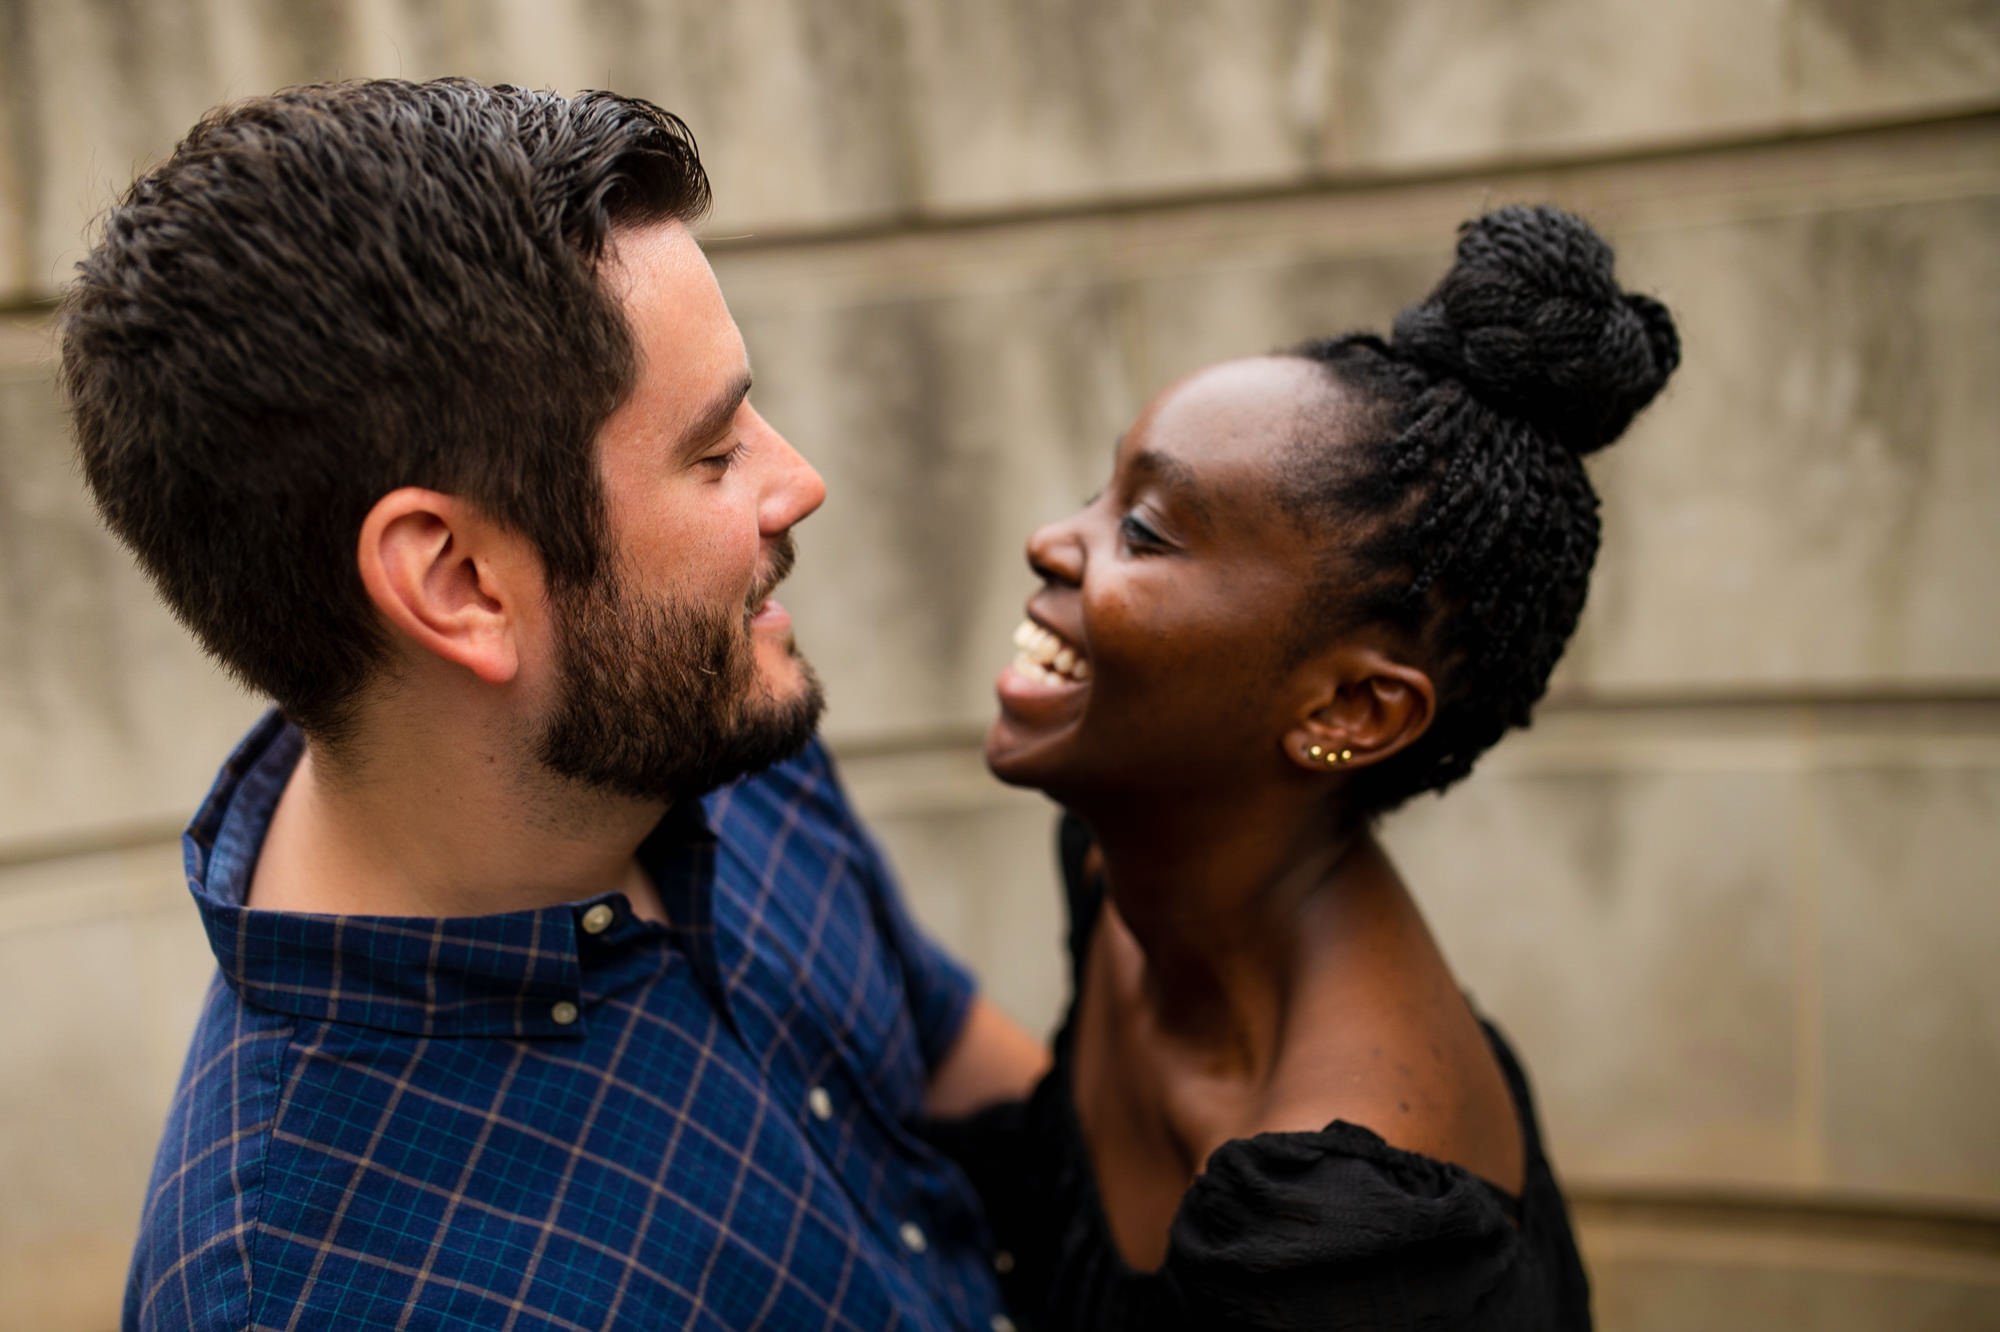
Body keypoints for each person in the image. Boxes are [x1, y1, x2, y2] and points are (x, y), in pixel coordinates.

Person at [63, 79, 1043, 1331]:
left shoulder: (694, 724)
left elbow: (979, 1084)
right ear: (458, 582)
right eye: (712, 451)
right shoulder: (321, 1294)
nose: (799, 481)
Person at [930, 205, 1680, 1330]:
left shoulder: (1340, 1243)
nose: (1052, 538)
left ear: (1350, 708)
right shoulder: (1119, 872)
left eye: (1143, 529)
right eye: (1103, 490)